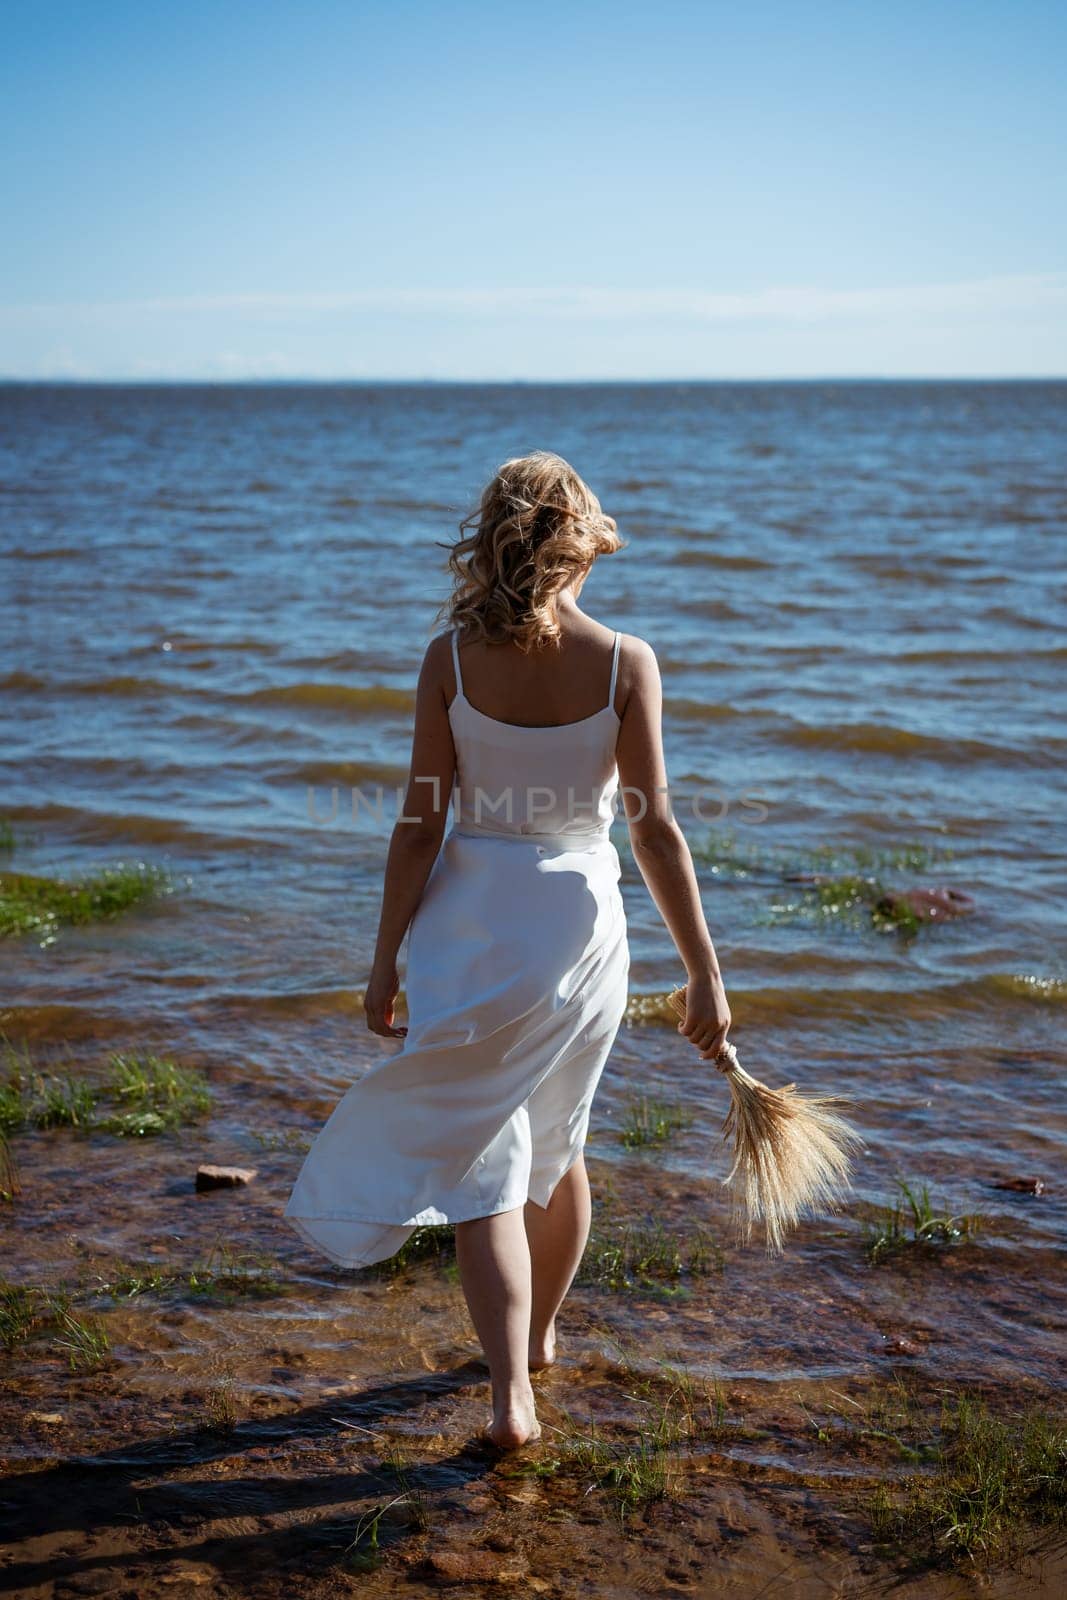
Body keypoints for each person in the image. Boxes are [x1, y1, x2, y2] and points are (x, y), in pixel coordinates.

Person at [284, 450, 732, 1449]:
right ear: (579, 542)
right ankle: (537, 1344)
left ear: (490, 538)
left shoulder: (448, 658)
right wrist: (703, 969)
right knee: (560, 1144)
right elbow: (655, 831)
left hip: (469, 929)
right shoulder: (626, 661)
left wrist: (383, 955)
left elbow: (416, 825)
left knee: (487, 1162)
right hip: (578, 928)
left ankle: (507, 1399)